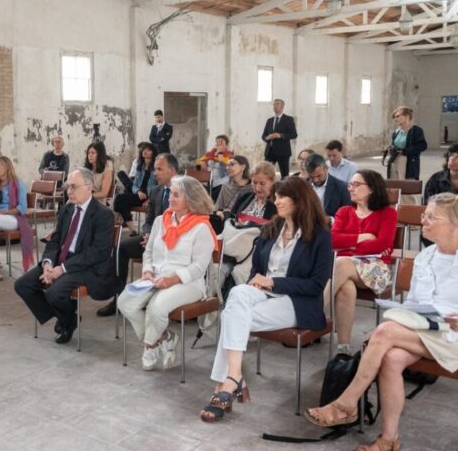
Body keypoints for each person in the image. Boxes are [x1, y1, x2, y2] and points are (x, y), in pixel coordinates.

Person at [306, 194, 458, 451]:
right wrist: (395, 325)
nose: (423, 221)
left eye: (431, 217)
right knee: (391, 357)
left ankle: (346, 404)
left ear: (457, 224)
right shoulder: (426, 257)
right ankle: (389, 439)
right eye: (424, 215)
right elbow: (416, 304)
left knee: (385, 333)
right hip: (430, 330)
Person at [201, 177, 332, 423]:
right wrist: (259, 284)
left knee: (231, 316)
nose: (277, 201)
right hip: (263, 294)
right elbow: (257, 272)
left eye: (283, 197)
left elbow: (316, 285)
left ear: (300, 200)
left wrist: (273, 283)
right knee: (238, 294)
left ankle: (224, 384)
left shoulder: (320, 235)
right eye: (277, 196)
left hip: (297, 302)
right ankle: (234, 376)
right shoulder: (271, 228)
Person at [118, 176, 216, 371]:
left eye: (176, 195)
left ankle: (149, 346)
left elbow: (199, 267)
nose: (170, 198)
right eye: (171, 193)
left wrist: (172, 279)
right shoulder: (160, 221)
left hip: (188, 283)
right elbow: (148, 252)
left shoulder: (202, 227)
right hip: (156, 278)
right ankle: (164, 338)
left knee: (156, 308)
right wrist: (147, 271)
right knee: (125, 301)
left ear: (190, 199)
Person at [14, 168, 114, 344]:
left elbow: (97, 252)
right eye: (68, 187)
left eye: (74, 187)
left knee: (54, 293)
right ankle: (67, 317)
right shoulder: (67, 209)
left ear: (89, 187)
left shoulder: (103, 214)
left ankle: (65, 317)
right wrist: (48, 263)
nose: (69, 191)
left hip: (86, 266)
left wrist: (62, 269)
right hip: (61, 259)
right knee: (22, 285)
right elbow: (55, 240)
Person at [97, 153, 178, 317]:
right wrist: (148, 234)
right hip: (152, 239)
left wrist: (156, 239)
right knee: (121, 248)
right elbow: (148, 221)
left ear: (172, 170)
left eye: (159, 169)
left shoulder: (184, 191)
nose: (155, 173)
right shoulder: (156, 191)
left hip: (175, 243)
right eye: (154, 169)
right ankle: (118, 297)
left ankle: (165, 301)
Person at [326, 170, 398, 354]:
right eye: (350, 184)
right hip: (346, 269)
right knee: (346, 288)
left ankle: (314, 309)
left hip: (376, 269)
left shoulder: (387, 213)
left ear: (372, 188)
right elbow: (332, 241)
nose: (350, 188)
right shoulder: (344, 211)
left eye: (356, 184)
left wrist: (347, 246)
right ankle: (343, 347)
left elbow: (383, 244)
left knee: (342, 262)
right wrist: (362, 238)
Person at [214, 161, 277, 233]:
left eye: (262, 184)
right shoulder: (244, 196)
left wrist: (246, 225)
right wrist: (224, 215)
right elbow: (233, 217)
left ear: (272, 182)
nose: (257, 188)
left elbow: (275, 230)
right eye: (254, 182)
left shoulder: (278, 203)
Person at [114, 143, 157, 233]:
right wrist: (138, 192)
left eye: (148, 150)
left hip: (148, 197)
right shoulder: (140, 166)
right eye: (144, 149)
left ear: (153, 153)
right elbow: (135, 185)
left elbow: (158, 188)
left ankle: (112, 226)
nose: (145, 151)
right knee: (122, 202)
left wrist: (149, 200)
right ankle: (132, 231)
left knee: (119, 199)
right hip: (138, 194)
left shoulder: (156, 168)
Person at [387, 106, 427, 183]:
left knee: (406, 185)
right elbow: (393, 145)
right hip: (394, 160)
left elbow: (422, 146)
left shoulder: (416, 131)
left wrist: (405, 151)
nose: (395, 119)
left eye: (398, 116)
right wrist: (390, 149)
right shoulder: (396, 132)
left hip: (408, 162)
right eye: (394, 117)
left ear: (407, 116)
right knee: (393, 185)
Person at [305, 153, 350, 220]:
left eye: (319, 176)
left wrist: (330, 220)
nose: (316, 180)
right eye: (311, 177)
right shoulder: (302, 186)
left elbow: (347, 215)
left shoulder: (342, 188)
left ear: (326, 168)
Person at [261, 99, 297, 178]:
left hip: (283, 151)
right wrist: (267, 137)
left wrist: (280, 135)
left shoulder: (288, 119)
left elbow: (294, 134)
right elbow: (263, 136)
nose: (275, 106)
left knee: (284, 175)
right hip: (270, 152)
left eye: (277, 104)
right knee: (265, 173)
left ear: (282, 106)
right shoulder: (269, 120)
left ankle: (284, 186)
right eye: (274, 104)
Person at [212, 155, 251, 221]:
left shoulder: (253, 187)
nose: (227, 168)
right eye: (227, 165)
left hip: (245, 221)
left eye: (232, 164)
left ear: (243, 167)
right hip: (226, 220)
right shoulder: (225, 186)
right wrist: (219, 213)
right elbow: (218, 208)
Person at [195, 135, 234, 201]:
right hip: (210, 181)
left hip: (222, 183)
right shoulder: (210, 154)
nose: (218, 144)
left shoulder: (229, 155)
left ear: (226, 145)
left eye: (221, 142)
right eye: (217, 142)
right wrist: (202, 164)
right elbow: (197, 162)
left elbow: (227, 164)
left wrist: (220, 153)